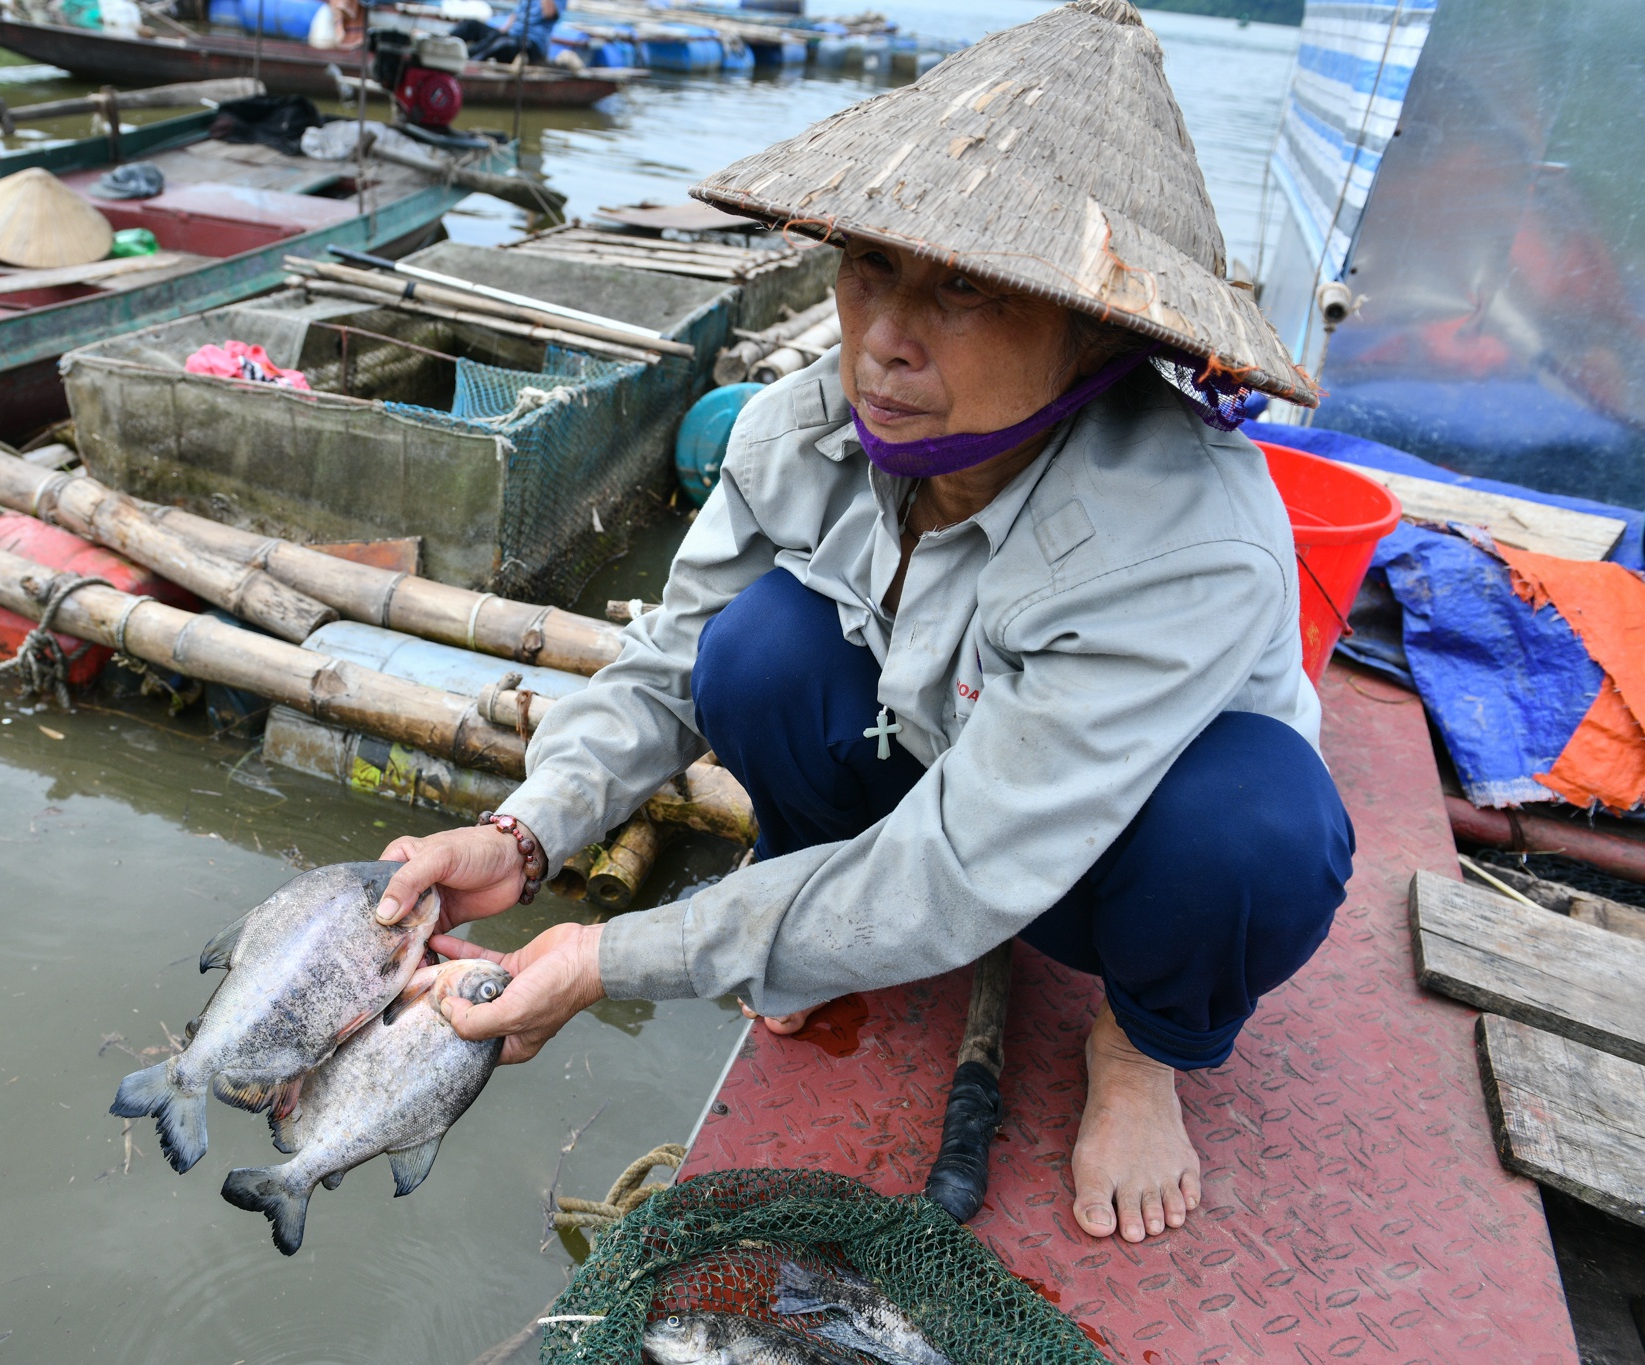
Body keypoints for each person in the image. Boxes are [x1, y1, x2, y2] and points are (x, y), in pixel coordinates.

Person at [373, 0, 1354, 1246]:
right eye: (871, 267)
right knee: (756, 650)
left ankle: (1141, 1044)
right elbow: (669, 660)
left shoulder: (1182, 542)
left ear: (1096, 330)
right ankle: (813, 920)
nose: (883, 341)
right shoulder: (805, 425)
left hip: (1110, 858)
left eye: (964, 291)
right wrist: (525, 835)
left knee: (1253, 828)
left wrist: (610, 958)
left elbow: (961, 866)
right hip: (936, 761)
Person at [449, 0, 563, 64]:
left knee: (500, 41)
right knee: (472, 25)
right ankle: (442, 46)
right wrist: (502, 30)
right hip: (510, 36)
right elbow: (516, 14)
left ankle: (464, 61)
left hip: (530, 45)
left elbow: (549, 13)